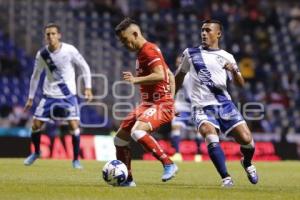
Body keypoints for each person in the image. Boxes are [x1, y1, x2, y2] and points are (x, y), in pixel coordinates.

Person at [175, 19, 258, 187]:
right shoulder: (190, 53)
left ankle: (247, 162)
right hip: (201, 107)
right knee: (210, 134)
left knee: (247, 140)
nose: (204, 33)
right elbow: (179, 77)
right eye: (202, 30)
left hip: (224, 104)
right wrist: (170, 99)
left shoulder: (227, 56)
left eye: (208, 30)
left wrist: (234, 70)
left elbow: (240, 84)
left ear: (218, 33)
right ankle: (226, 178)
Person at [114, 17, 178, 187]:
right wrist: (172, 99)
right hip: (148, 104)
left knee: (137, 131)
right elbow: (170, 75)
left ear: (135, 34)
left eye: (125, 39)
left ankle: (168, 163)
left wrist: (136, 80)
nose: (124, 44)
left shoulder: (149, 50)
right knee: (119, 139)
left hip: (159, 104)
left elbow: (160, 75)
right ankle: (127, 180)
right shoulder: (145, 52)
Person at [23, 23, 93, 169]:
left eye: (53, 33)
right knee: (35, 125)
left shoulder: (69, 50)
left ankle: (75, 160)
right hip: (49, 96)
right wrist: (30, 98)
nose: (50, 36)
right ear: (45, 36)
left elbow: (84, 66)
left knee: (74, 126)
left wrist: (88, 88)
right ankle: (36, 153)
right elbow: (35, 76)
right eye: (48, 34)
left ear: (59, 35)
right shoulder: (42, 54)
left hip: (68, 96)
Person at [171, 56, 202, 162]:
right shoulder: (175, 74)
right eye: (177, 62)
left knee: (197, 130)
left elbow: (190, 95)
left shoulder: (189, 76)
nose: (178, 64)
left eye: (181, 62)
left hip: (193, 106)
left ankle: (198, 154)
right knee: (175, 127)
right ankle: (177, 153)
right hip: (180, 106)